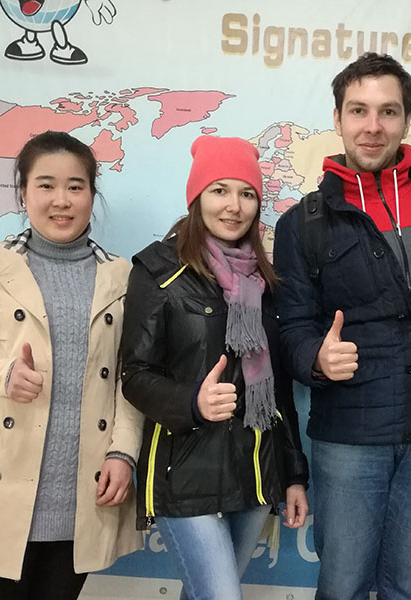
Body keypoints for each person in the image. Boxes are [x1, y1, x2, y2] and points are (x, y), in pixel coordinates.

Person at [272, 52, 411, 600]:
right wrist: (315, 358)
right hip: (350, 432)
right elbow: (291, 325)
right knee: (343, 585)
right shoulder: (302, 223)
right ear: (337, 118)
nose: (372, 126)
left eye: (387, 111)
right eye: (359, 110)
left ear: (406, 119)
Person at [0, 131, 144, 599]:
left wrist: (123, 452)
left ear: (92, 194)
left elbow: (130, 379)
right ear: (23, 192)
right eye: (46, 185)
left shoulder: (121, 276)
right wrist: (3, 374)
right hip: (0, 475)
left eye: (75, 186)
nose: (61, 200)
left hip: (83, 486)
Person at [120, 136, 309, 600]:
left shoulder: (264, 280)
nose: (234, 206)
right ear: (197, 197)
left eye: (247, 194)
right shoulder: (158, 269)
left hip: (254, 471)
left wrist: (293, 475)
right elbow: (135, 375)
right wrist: (193, 401)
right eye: (219, 190)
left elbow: (278, 392)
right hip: (185, 473)